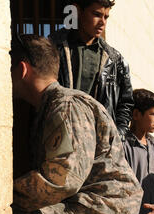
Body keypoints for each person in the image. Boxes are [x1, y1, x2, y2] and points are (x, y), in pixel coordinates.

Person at [10, 34, 142, 214]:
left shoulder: (65, 105)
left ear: (21, 69)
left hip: (101, 212)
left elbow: (62, 179)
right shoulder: (53, 106)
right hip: (110, 213)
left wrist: (6, 197)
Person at [49, 0, 133, 140]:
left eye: (106, 17)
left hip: (99, 143)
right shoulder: (53, 48)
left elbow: (126, 103)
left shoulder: (115, 60)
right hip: (60, 138)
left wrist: (116, 135)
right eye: (96, 14)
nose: (102, 22)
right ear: (77, 11)